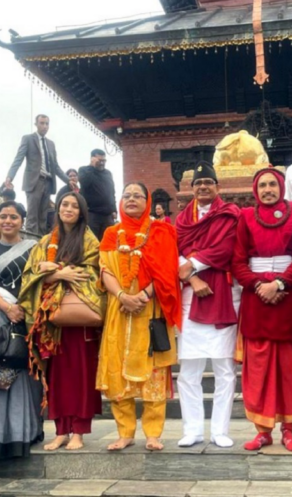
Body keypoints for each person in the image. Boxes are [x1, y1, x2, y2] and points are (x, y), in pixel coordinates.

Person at [97, 182, 182, 451]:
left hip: (151, 309)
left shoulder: (161, 231)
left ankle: (153, 434)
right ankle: (125, 433)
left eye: (137, 196)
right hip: (119, 311)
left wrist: (142, 296)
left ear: (148, 202)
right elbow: (104, 270)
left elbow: (168, 271)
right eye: (126, 195)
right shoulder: (111, 233)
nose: (131, 199)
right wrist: (123, 296)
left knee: (153, 373)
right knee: (117, 371)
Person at [18, 191, 105, 451]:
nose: (68, 209)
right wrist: (58, 274)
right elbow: (29, 276)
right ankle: (60, 431)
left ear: (81, 212)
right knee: (57, 378)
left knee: (82, 376)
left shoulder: (89, 240)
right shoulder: (46, 242)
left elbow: (92, 274)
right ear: (58, 209)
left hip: (80, 321)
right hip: (52, 324)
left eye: (74, 206)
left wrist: (54, 269)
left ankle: (79, 431)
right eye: (64, 204)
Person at [232, 167, 292, 451]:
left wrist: (278, 283)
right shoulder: (245, 217)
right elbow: (238, 262)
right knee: (258, 370)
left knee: (289, 369)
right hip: (256, 300)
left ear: (282, 187)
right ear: (255, 190)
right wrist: (260, 285)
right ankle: (263, 431)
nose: (267, 190)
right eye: (262, 185)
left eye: (272, 184)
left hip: (288, 297)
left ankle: (289, 430)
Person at [176, 160, 241, 448]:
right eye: (199, 183)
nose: (203, 187)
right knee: (189, 370)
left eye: (208, 182)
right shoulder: (181, 220)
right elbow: (173, 252)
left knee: (224, 369)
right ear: (192, 188)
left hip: (223, 293)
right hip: (191, 296)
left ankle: (219, 430)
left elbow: (226, 248)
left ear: (217, 187)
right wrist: (192, 278)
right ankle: (192, 430)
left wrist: (191, 265)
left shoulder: (230, 214)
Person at [0, 201, 43, 458]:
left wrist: (21, 309)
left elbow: (39, 280)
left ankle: (22, 433)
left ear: (22, 221)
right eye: (3, 216)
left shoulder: (34, 248)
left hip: (26, 315)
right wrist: (7, 308)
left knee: (22, 370)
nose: (7, 221)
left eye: (13, 217)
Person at [5, 114, 73, 235]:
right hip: (34, 182)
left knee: (43, 218)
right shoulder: (28, 139)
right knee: (32, 217)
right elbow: (18, 159)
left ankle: (41, 243)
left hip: (48, 182)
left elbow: (55, 166)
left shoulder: (51, 144)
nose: (45, 126)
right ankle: (31, 244)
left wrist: (68, 180)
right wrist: (10, 177)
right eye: (42, 123)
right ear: (36, 124)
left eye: (47, 124)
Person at [78, 149, 116, 240]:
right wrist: (92, 166)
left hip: (108, 216)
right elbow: (85, 183)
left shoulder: (108, 173)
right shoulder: (84, 170)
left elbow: (111, 192)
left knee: (109, 242)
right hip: (92, 214)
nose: (102, 163)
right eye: (100, 160)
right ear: (92, 159)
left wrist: (114, 209)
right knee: (92, 241)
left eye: (104, 160)